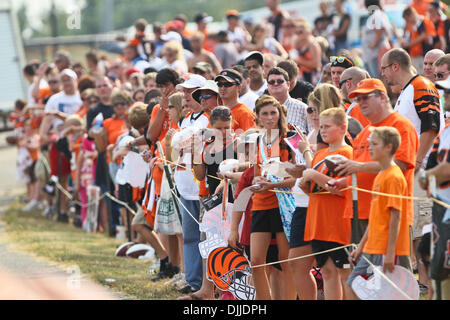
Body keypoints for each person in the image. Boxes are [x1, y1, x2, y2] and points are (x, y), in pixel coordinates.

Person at [332, 79, 418, 263]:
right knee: (362, 282)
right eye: (357, 99)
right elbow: (358, 171)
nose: (360, 103)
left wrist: (359, 167)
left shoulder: (400, 125)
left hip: (388, 212)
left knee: (393, 278)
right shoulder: (365, 132)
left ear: (381, 97)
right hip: (358, 211)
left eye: (365, 97)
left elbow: (400, 164)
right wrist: (342, 182)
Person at [381, 48, 443, 281]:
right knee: (416, 230)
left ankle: (429, 284)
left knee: (423, 230)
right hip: (410, 171)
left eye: (384, 69)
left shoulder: (421, 86)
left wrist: (417, 161)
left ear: (395, 66)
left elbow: (431, 126)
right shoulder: (406, 91)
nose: (383, 75)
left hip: (422, 171)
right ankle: (424, 284)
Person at [345, 126, 411, 300]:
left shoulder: (394, 176)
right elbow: (375, 217)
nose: (370, 148)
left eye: (374, 144)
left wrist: (390, 253)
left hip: (385, 249)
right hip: (372, 247)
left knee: (383, 293)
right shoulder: (381, 174)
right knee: (353, 284)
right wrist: (360, 247)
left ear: (389, 147)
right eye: (369, 143)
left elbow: (395, 217)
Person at [299, 107, 352, 300]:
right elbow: (313, 191)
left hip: (338, 222)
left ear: (343, 128)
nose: (323, 130)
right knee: (327, 272)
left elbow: (340, 189)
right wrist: (305, 182)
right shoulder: (320, 154)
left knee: (345, 273)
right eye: (321, 126)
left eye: (328, 126)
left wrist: (312, 174)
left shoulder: (347, 153)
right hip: (318, 221)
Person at [248, 95, 297, 300]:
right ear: (258, 117)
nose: (270, 118)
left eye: (273, 113)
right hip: (260, 203)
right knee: (257, 260)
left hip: (282, 204)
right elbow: (256, 171)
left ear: (280, 114)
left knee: (285, 261)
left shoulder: (289, 138)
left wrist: (273, 185)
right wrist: (257, 181)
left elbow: (295, 179)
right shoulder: (256, 141)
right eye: (265, 114)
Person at [419, 75, 450, 300]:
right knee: (436, 264)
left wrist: (426, 176)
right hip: (442, 208)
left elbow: (446, 170)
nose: (445, 95)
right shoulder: (446, 129)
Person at [40, 68, 82, 222]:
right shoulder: (55, 99)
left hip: (78, 142)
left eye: (69, 79)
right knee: (61, 176)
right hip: (60, 142)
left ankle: (78, 209)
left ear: (75, 80)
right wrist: (44, 135)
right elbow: (47, 119)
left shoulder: (81, 98)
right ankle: (62, 209)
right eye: (63, 80)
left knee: (79, 176)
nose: (66, 83)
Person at [266, 67, 310, 134]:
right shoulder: (262, 110)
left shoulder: (302, 108)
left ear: (288, 85)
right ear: (268, 86)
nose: (275, 84)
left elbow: (313, 134)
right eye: (272, 82)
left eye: (280, 81)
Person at [215, 68, 256, 133]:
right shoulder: (216, 112)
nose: (223, 88)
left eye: (227, 84)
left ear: (239, 87)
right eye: (220, 84)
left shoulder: (245, 114)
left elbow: (250, 141)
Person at [361, 0, 393, 79]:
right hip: (372, 53)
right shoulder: (378, 14)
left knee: (377, 79)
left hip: (375, 53)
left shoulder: (377, 14)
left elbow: (380, 29)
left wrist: (373, 44)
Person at [401, 7, 436, 74]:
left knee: (424, 75)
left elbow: (423, 36)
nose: (408, 22)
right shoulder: (414, 23)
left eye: (407, 19)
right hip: (416, 55)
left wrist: (409, 44)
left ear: (412, 15)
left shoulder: (421, 21)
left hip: (423, 54)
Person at [291, 20, 322, 85]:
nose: (298, 34)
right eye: (296, 32)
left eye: (301, 32)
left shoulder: (312, 44)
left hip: (314, 76)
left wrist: (299, 60)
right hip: (304, 76)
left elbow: (315, 64)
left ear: (307, 31)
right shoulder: (300, 43)